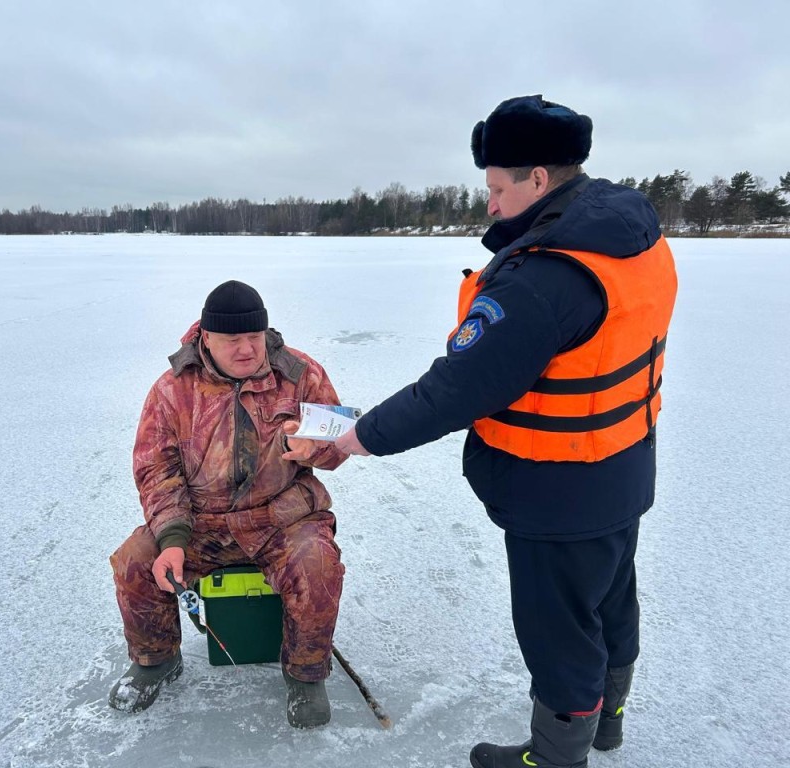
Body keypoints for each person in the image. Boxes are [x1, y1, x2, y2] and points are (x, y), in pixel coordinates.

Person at [334, 95, 677, 768]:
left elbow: (456, 388)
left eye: (496, 187)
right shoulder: (634, 238)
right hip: (621, 464)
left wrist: (358, 438)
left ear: (539, 180)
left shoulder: (542, 278)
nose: (489, 203)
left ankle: (555, 758)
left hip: (558, 485)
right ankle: (607, 725)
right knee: (609, 602)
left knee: (559, 632)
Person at [108, 279, 348, 728]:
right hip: (202, 523)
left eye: (254, 338)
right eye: (232, 340)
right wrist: (173, 537)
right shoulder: (171, 390)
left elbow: (340, 446)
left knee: (317, 563)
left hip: (282, 516)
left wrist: (313, 446)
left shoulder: (300, 374)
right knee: (137, 560)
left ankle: (306, 675)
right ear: (205, 340)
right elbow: (157, 471)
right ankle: (156, 660)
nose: (247, 350)